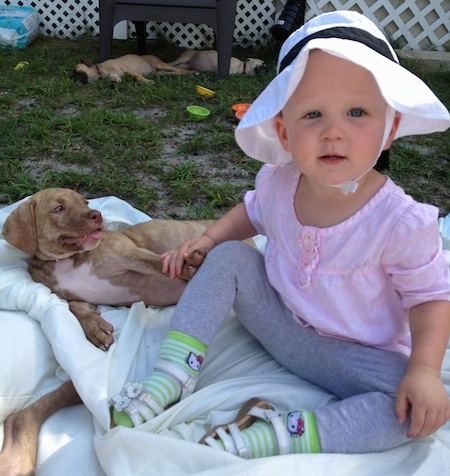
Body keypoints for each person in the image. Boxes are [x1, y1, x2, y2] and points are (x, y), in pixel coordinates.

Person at [110, 10, 450, 457]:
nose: (333, 132)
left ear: (390, 129)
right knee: (230, 257)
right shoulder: (278, 181)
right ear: (284, 133)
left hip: (356, 358)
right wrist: (209, 240)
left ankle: (275, 434)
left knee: (414, 412)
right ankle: (172, 374)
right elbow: (249, 214)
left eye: (357, 112)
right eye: (313, 113)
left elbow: (430, 298)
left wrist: (424, 370)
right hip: (279, 324)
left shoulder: (400, 221)